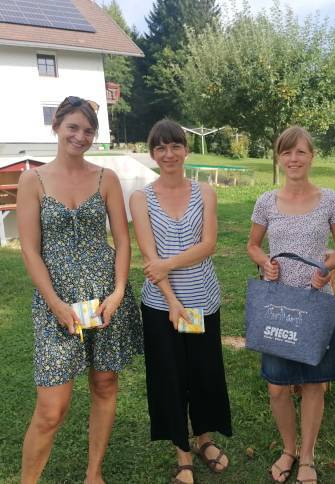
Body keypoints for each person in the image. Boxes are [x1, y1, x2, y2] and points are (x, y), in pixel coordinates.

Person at [17, 96, 143, 484]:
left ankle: (94, 473)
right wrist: (54, 303)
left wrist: (120, 291)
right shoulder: (32, 180)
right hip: (57, 305)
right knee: (52, 408)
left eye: (88, 131)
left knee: (105, 384)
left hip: (106, 298)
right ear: (56, 125)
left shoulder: (106, 178)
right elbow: (30, 250)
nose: (81, 136)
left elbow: (123, 241)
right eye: (73, 127)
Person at [129, 119, 232, 484]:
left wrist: (168, 264)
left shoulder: (205, 192)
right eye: (160, 148)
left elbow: (208, 246)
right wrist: (171, 300)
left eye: (175, 146)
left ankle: (204, 439)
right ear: (153, 153)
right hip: (161, 307)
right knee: (170, 378)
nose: (168, 154)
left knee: (203, 374)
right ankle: (182, 454)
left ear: (186, 150)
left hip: (202, 301)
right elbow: (148, 256)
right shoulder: (140, 199)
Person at [247, 126, 335, 484]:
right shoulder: (266, 202)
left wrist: (327, 268)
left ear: (312, 156)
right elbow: (253, 246)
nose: (294, 159)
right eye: (287, 152)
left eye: (301, 152)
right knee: (277, 386)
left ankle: (306, 456)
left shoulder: (331, 200)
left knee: (313, 384)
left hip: (314, 303)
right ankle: (288, 449)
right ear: (278, 157)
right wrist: (264, 262)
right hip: (276, 304)